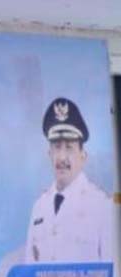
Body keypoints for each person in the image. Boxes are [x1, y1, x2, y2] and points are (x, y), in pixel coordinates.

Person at [25, 97, 114, 263]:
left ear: (83, 156)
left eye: (69, 148)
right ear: (49, 154)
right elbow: (30, 269)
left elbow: (114, 271)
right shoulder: (39, 207)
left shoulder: (102, 206)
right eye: (57, 147)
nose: (62, 157)